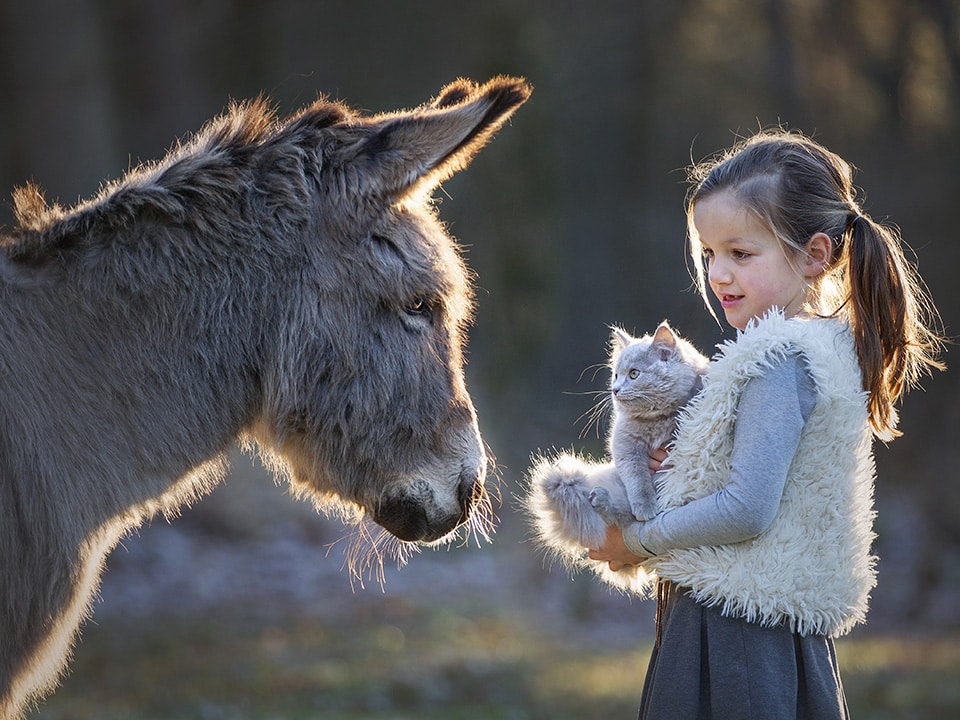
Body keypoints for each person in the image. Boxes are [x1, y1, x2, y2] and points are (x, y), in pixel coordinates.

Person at [588, 129, 943, 719]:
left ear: (815, 255)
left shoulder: (775, 359)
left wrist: (635, 540)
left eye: (740, 254)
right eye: (709, 255)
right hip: (767, 625)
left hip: (737, 636)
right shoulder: (818, 349)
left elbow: (747, 508)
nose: (719, 274)